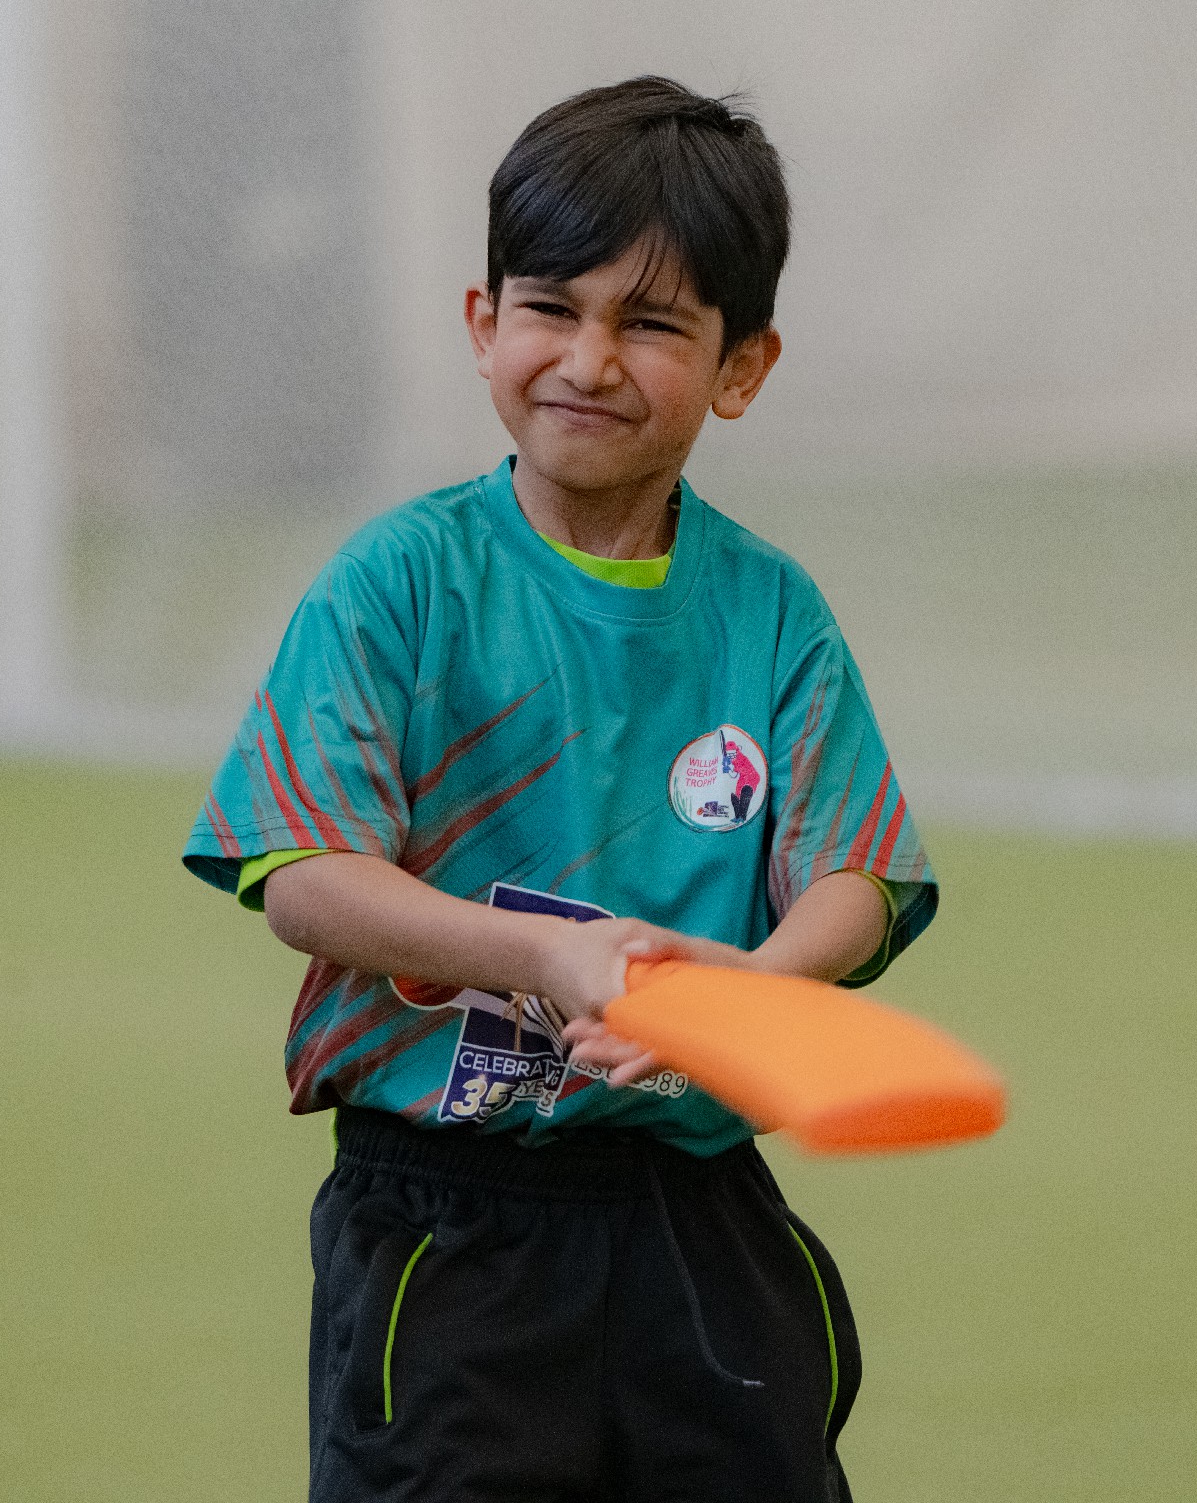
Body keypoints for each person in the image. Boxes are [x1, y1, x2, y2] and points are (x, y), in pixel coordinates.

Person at [183, 75, 936, 1503]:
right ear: (484, 323)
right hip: (449, 1229)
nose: (589, 360)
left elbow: (857, 872)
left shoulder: (772, 611)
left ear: (742, 367)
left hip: (701, 1226)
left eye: (650, 324)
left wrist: (758, 984)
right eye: (551, 307)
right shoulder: (397, 586)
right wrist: (546, 957)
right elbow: (306, 879)